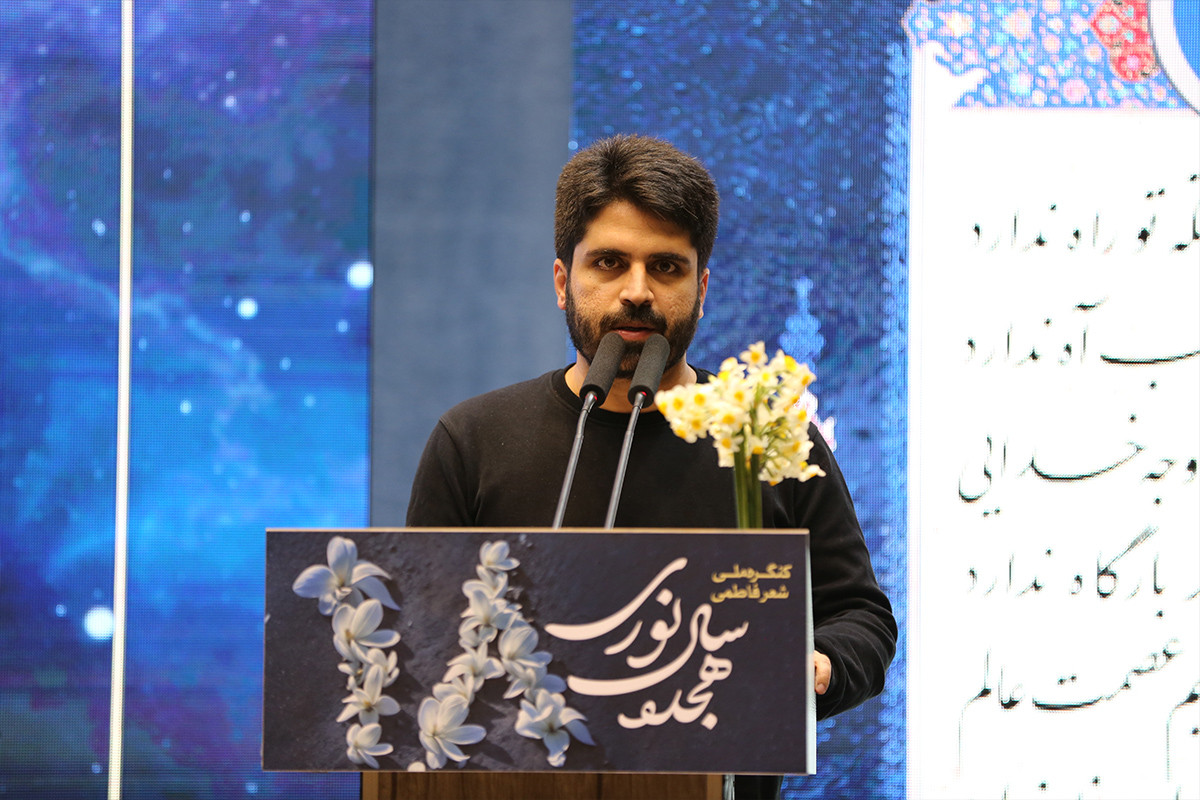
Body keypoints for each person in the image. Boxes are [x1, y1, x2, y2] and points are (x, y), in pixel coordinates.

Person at [407, 134, 896, 797]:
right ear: (563, 282)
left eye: (665, 267)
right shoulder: (473, 440)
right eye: (609, 263)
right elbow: (421, 640)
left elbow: (860, 617)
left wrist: (815, 668)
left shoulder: (767, 436)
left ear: (702, 288)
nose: (636, 292)